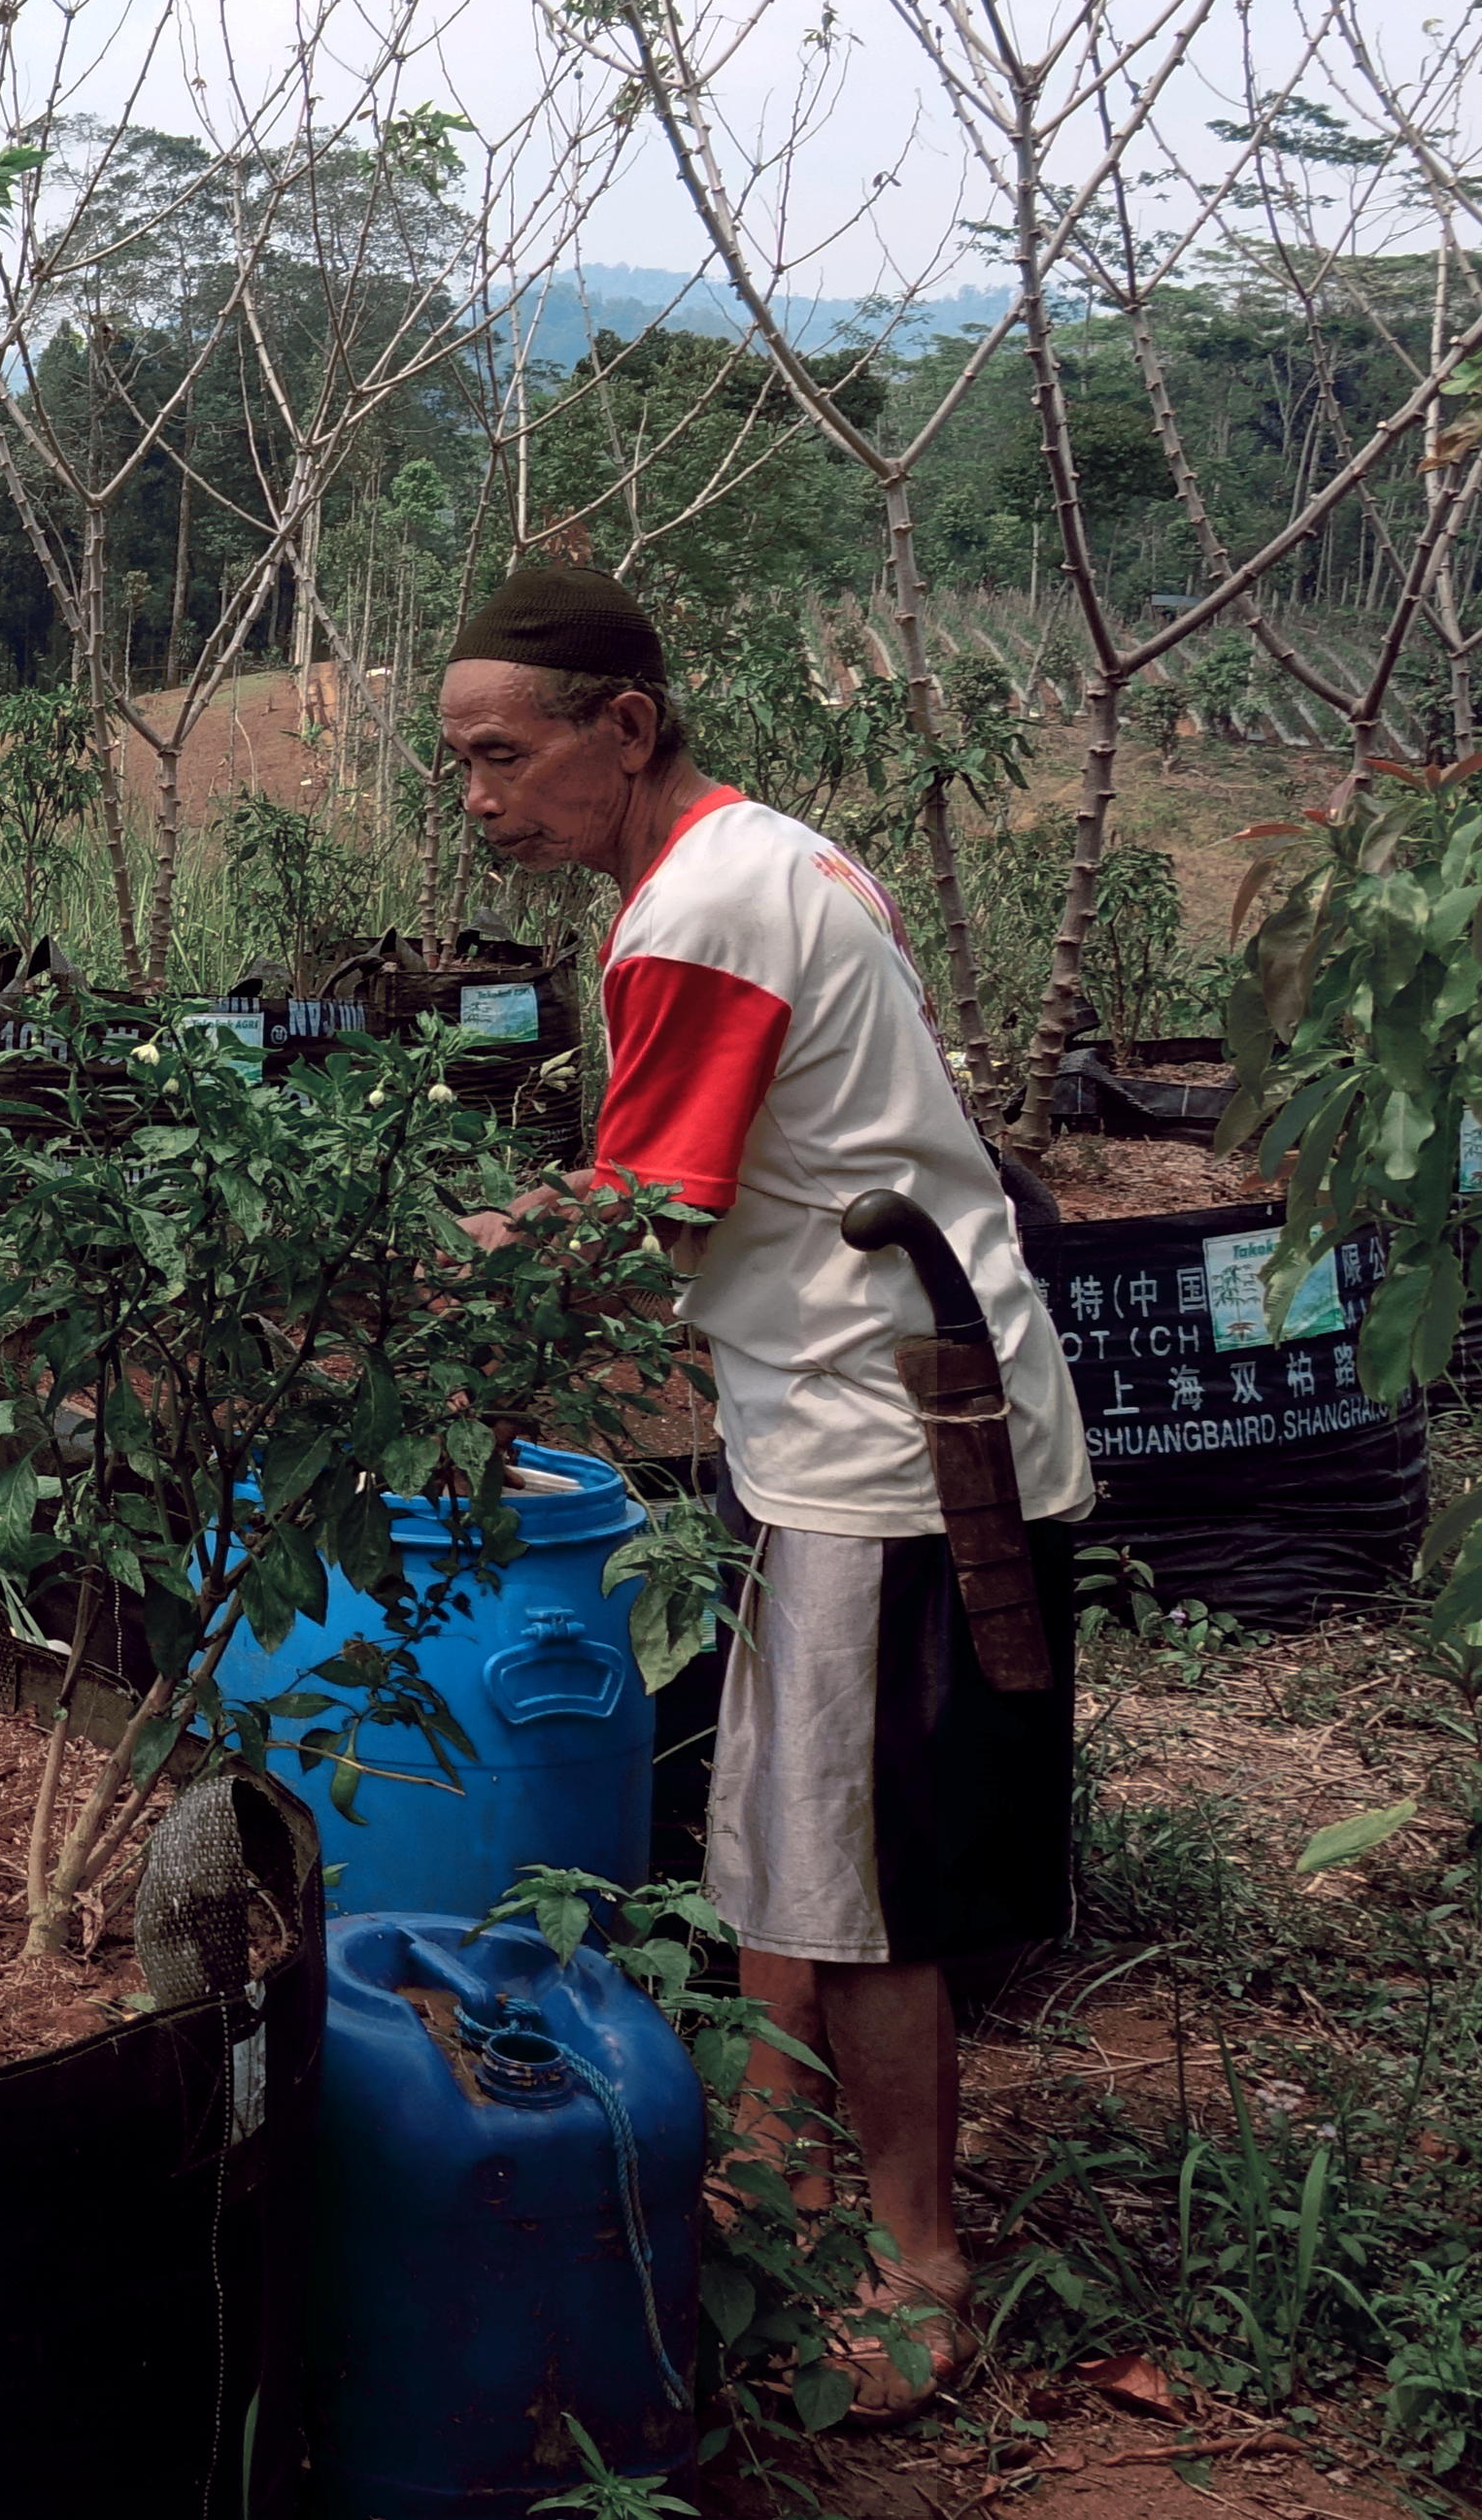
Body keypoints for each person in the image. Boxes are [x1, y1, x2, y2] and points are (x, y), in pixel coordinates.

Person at [438, 557, 1088, 2420]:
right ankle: (780, 2165)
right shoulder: (761, 859)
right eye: (460, 765)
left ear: (625, 726)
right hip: (847, 1418)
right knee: (789, 1828)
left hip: (889, 1447)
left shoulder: (706, 910)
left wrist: (422, 1281)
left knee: (862, 1878)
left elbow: (645, 1221)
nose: (478, 799)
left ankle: (917, 2264)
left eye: (502, 756)